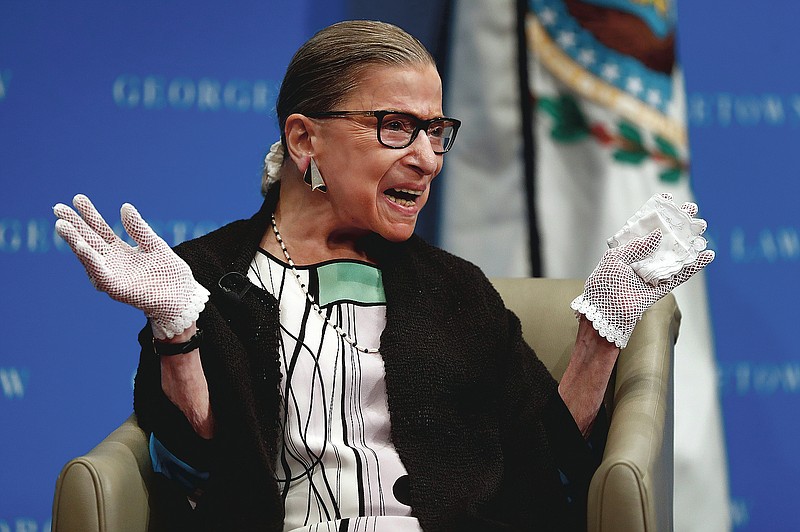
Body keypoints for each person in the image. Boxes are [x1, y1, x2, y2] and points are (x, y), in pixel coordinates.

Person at [53, 20, 713, 532]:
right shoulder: (207, 275)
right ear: (305, 139)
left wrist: (603, 324)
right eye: (397, 127)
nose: (427, 158)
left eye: (436, 131)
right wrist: (176, 328)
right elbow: (192, 463)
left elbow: (541, 467)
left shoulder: (454, 291)